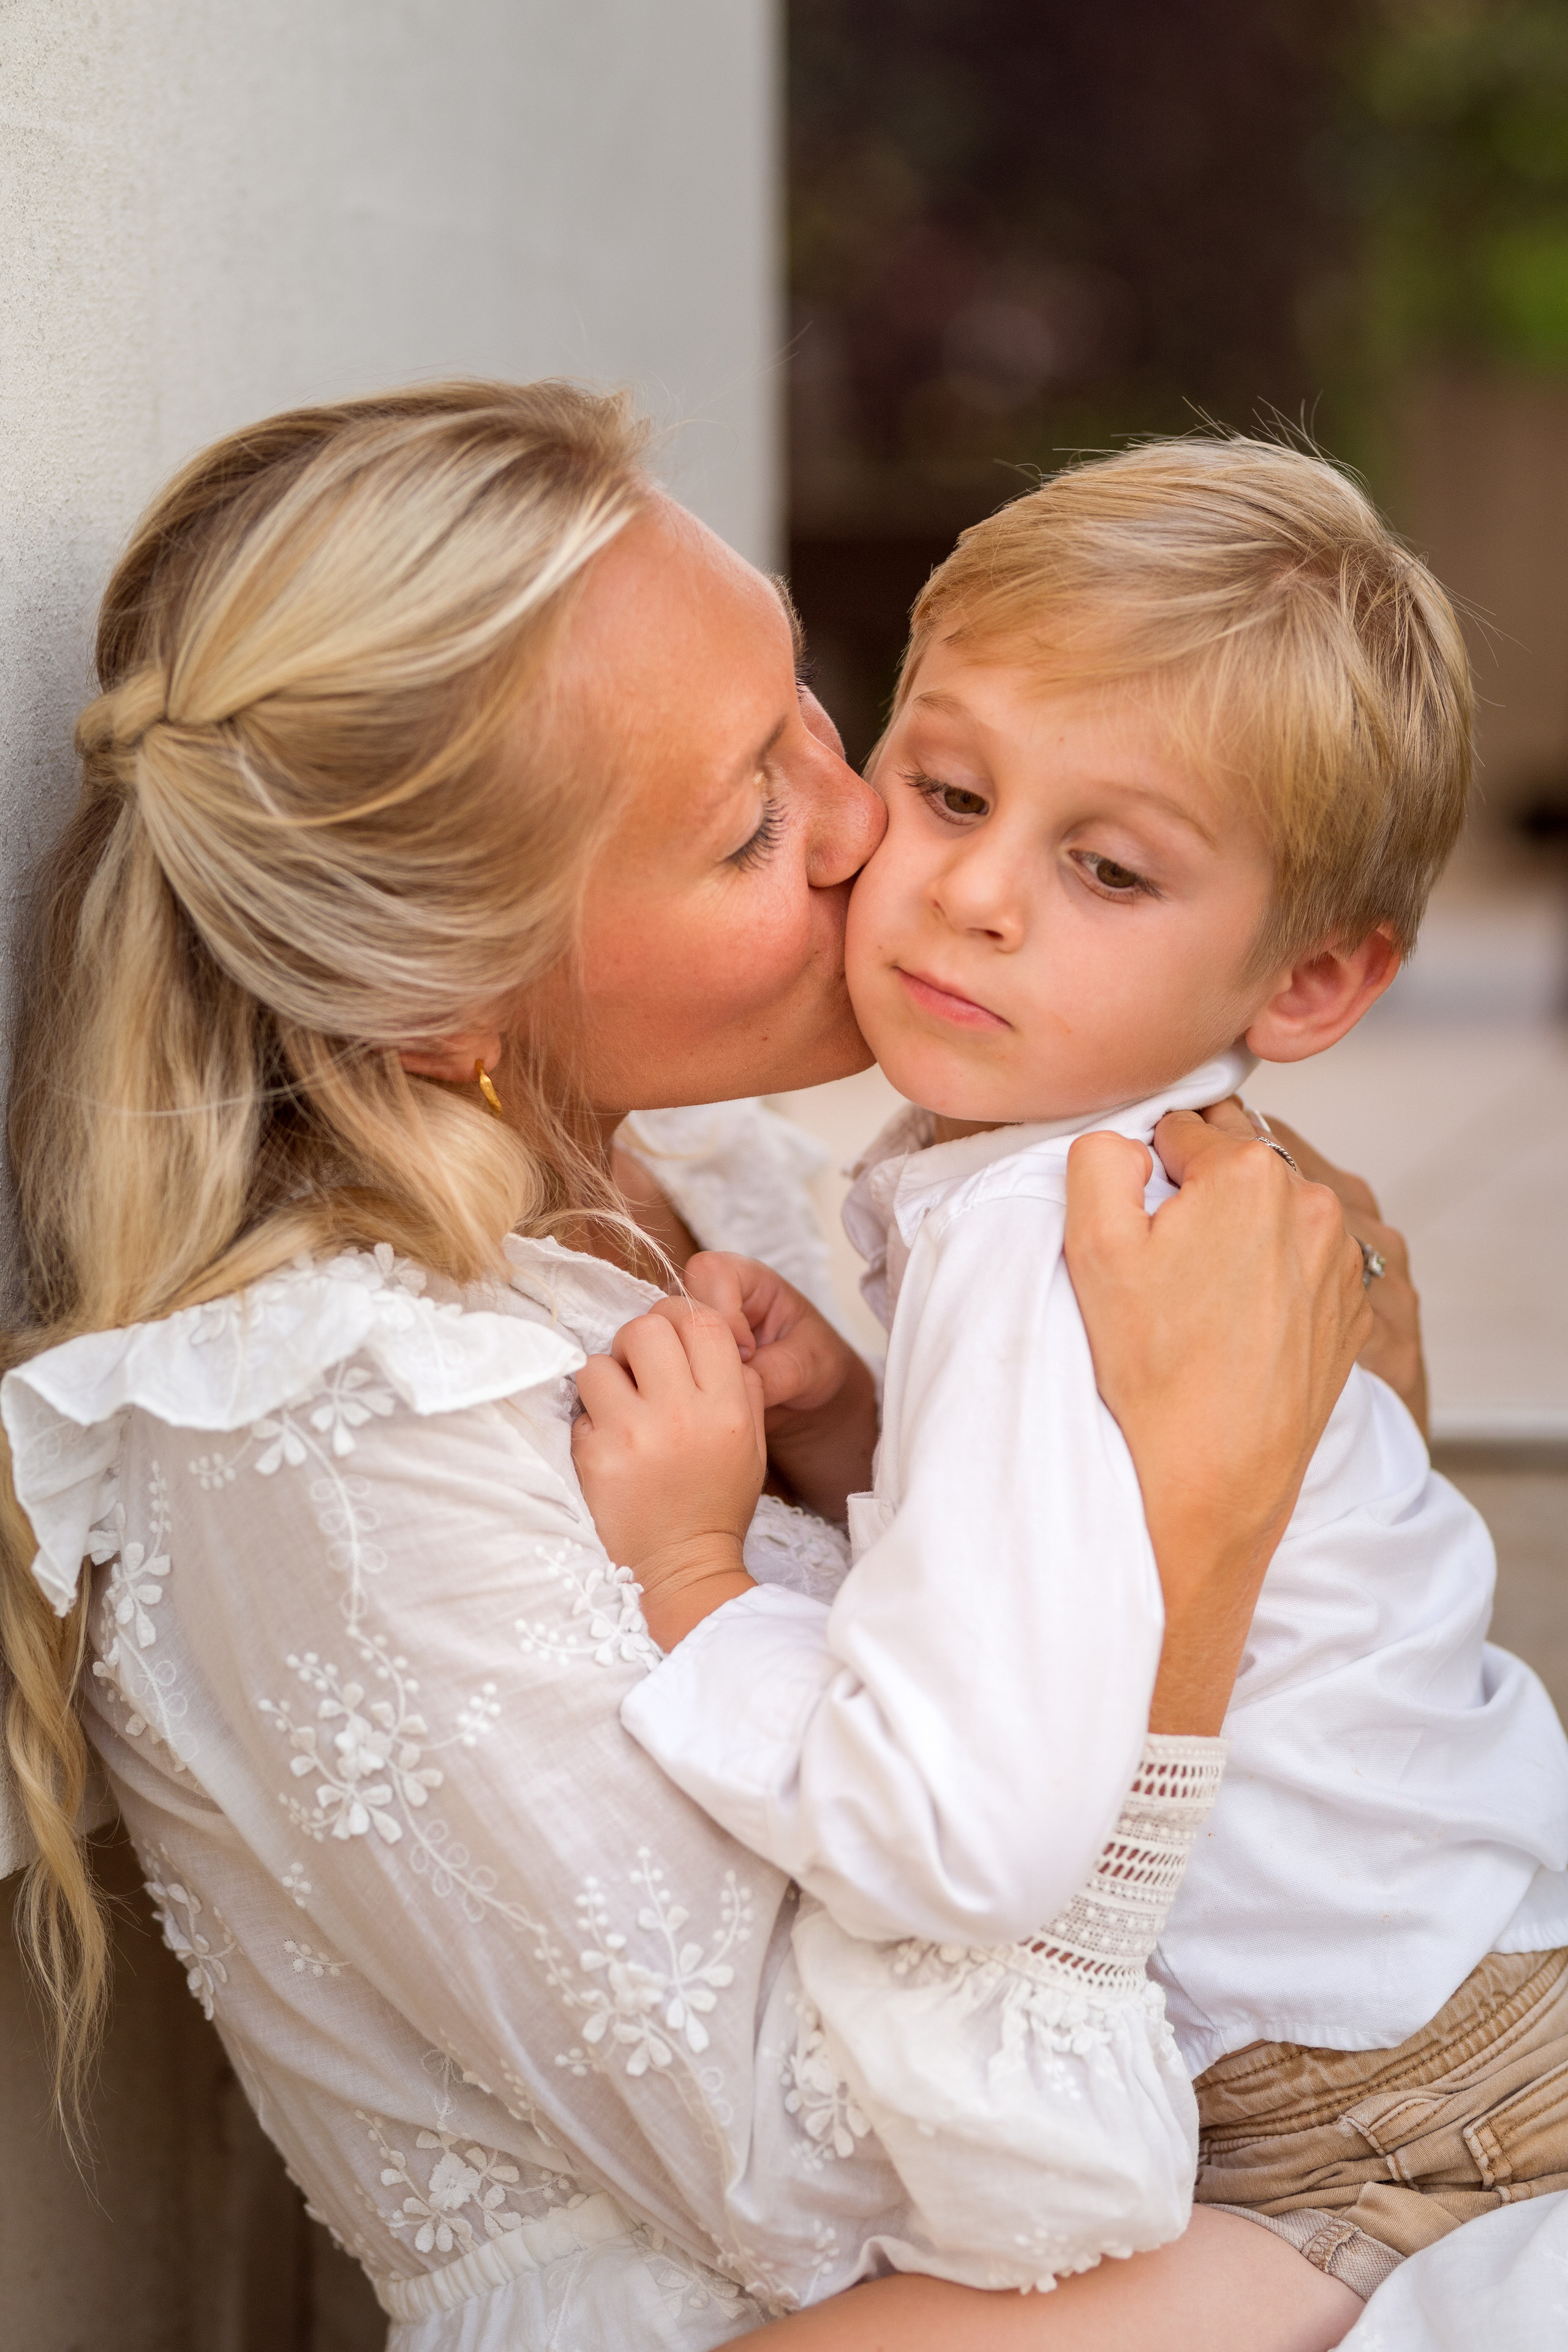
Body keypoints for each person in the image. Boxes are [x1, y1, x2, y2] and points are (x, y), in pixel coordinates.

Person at [0, 382, 1385, 2352]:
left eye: (810, 707)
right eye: (750, 827)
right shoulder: (330, 1438)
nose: (870, 826)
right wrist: (1201, 1529)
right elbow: (848, 2191)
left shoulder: (727, 1182)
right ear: (438, 1006)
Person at [593, 440, 1568, 2316]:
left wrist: (697, 1578)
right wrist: (851, 1433)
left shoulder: (1065, 1242)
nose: (972, 895)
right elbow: (1086, 1549)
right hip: (1451, 1975)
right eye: (949, 790)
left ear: (1304, 987)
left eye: (1108, 867)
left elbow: (961, 1832)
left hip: (1373, 2111)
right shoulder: (1056, 1178)